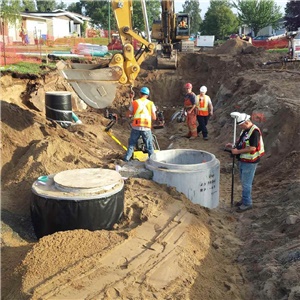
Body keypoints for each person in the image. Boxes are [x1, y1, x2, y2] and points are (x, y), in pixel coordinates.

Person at [225, 113, 265, 212]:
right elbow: (242, 140)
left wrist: (237, 151)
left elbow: (252, 148)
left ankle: (247, 203)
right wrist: (234, 145)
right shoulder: (246, 130)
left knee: (246, 183)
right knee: (244, 182)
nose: (240, 128)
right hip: (244, 160)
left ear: (246, 122)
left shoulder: (254, 132)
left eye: (241, 125)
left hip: (250, 161)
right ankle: (244, 200)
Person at [123, 87, 157, 162]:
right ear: (147, 95)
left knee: (131, 145)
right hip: (146, 128)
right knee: (149, 146)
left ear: (140, 94)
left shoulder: (135, 102)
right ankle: (153, 161)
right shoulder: (150, 103)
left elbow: (128, 114)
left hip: (136, 127)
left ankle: (126, 160)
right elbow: (154, 117)